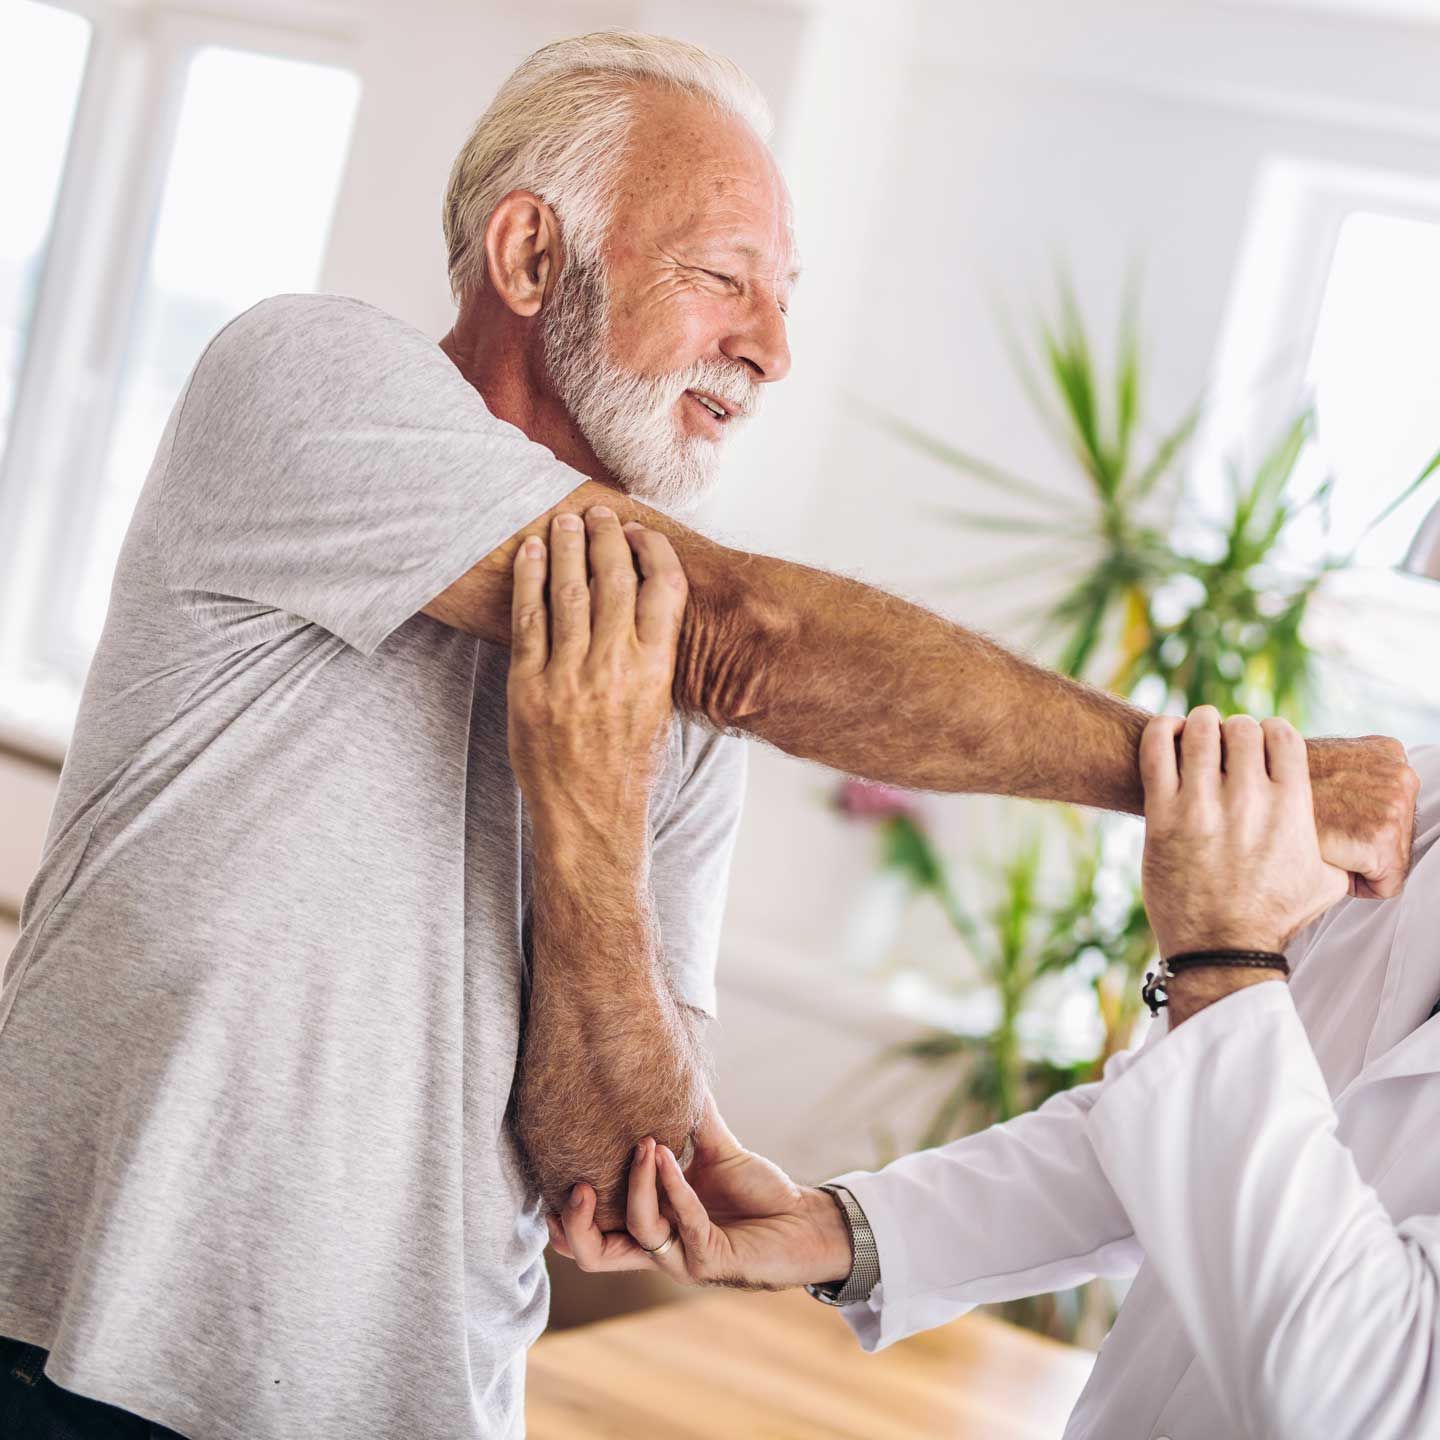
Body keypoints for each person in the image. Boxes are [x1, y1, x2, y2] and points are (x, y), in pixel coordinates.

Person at [0, 28, 1416, 1440]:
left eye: (783, 297)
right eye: (724, 277)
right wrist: (1220, 789)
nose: (773, 347)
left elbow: (617, 1165)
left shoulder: (685, 694)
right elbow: (755, 630)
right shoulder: (305, 375)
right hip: (72, 1355)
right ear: (530, 257)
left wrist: (590, 827)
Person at [558, 711, 1440, 1440]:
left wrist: (1222, 954)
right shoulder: (1419, 806)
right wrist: (839, 1229)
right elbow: (1179, 1127)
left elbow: (1370, 1396)